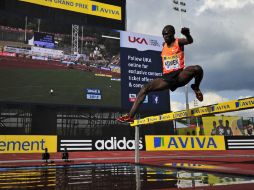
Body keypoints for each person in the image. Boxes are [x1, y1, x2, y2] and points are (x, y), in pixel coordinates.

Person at [117, 25, 204, 123]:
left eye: (167, 34)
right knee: (145, 88)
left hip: (180, 76)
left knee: (198, 69)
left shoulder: (178, 42)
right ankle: (130, 116)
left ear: (172, 34)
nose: (165, 37)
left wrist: (187, 34)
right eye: (163, 35)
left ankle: (196, 87)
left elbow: (190, 41)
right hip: (167, 78)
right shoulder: (163, 45)